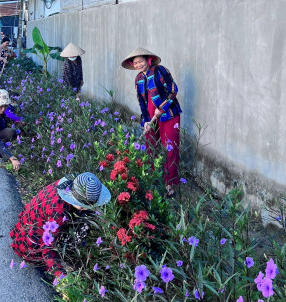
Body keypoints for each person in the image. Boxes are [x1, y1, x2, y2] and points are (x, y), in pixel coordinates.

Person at [10, 172, 111, 277]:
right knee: (83, 226)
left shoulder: (69, 183)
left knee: (84, 218)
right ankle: (66, 255)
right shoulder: (59, 213)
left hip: (28, 222)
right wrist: (61, 275)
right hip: (32, 243)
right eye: (84, 205)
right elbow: (47, 248)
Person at [121, 47, 182, 197]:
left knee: (170, 148)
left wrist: (162, 108)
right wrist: (146, 121)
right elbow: (142, 102)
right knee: (150, 148)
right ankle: (153, 178)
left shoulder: (160, 71)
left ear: (148, 60)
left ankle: (170, 184)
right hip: (151, 118)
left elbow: (173, 89)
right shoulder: (138, 79)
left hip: (169, 115)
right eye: (135, 63)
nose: (138, 65)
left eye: (140, 61)